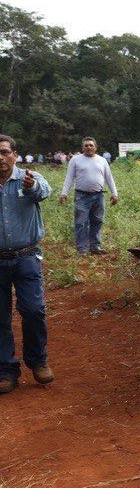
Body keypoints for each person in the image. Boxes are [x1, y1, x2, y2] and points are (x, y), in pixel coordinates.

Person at [0, 133, 54, 394]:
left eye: (4, 152)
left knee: (33, 310)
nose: (0, 158)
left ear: (14, 154)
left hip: (26, 256)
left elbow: (44, 192)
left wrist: (32, 186)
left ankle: (37, 361)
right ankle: (6, 369)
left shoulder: (28, 177)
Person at [58, 137, 119, 255]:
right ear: (82, 148)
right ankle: (82, 248)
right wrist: (64, 193)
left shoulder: (102, 160)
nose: (89, 147)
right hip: (81, 196)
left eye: (91, 145)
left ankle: (95, 246)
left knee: (97, 220)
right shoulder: (75, 160)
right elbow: (69, 177)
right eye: (86, 145)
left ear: (95, 148)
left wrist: (114, 193)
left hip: (99, 195)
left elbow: (109, 177)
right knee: (81, 222)